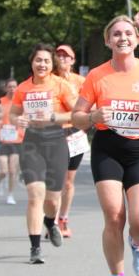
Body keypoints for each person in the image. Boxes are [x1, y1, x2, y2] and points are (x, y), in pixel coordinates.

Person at [71, 16, 139, 276]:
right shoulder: (97, 76)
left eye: (128, 33)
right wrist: (93, 116)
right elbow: (76, 117)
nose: (123, 38)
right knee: (114, 216)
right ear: (108, 41)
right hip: (108, 148)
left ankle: (138, 243)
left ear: (138, 40)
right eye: (116, 34)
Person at [10, 44, 76, 264]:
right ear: (32, 62)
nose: (42, 64)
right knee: (35, 194)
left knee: (53, 200)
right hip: (32, 143)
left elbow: (77, 114)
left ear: (52, 64)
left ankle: (50, 221)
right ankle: (35, 248)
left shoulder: (61, 85)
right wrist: (17, 120)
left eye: (46, 61)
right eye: (38, 60)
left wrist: (53, 117)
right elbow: (13, 114)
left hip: (56, 141)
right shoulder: (23, 88)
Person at [53, 44, 87, 238]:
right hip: (54, 135)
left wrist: (87, 120)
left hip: (74, 135)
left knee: (68, 182)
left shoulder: (80, 81)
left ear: (73, 60)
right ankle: (51, 220)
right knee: (56, 180)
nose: (62, 59)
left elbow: (91, 104)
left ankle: (63, 218)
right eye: (59, 55)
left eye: (66, 56)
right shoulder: (50, 80)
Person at [0, 78, 23, 204]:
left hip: (16, 140)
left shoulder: (20, 103)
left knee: (13, 171)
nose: (12, 89)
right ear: (6, 88)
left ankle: (10, 195)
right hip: (3, 140)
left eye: (14, 87)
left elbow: (25, 117)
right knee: (3, 171)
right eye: (10, 87)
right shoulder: (1, 102)